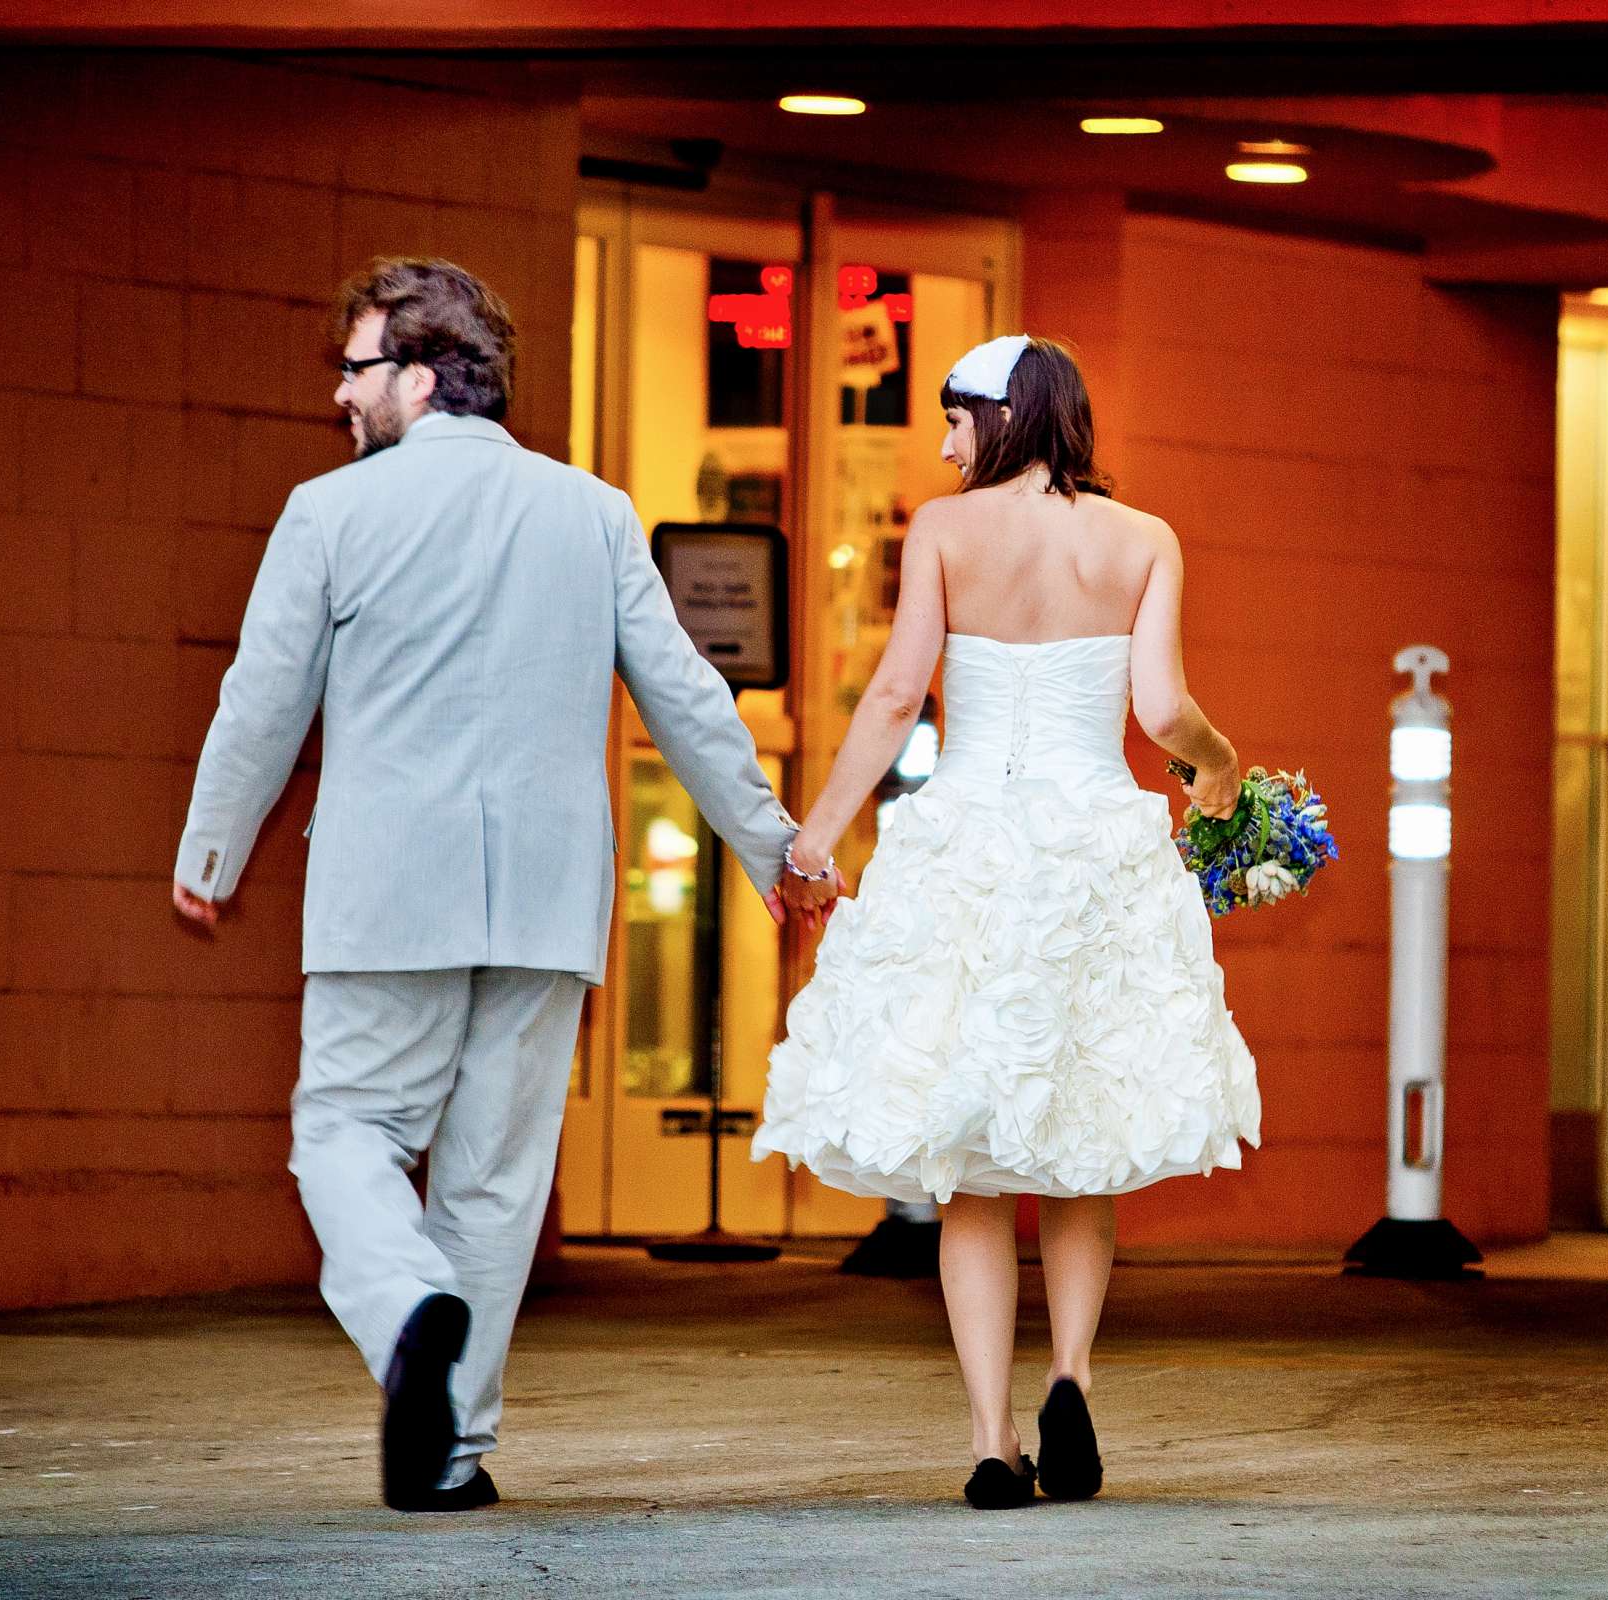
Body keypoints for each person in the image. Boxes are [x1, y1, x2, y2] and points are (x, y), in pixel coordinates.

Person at [173, 257, 808, 1513]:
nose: (339, 400)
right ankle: (449, 1456)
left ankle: (411, 1314)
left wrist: (210, 855)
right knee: (496, 1177)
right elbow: (686, 693)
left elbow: (262, 703)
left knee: (344, 1130)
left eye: (354, 371)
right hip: (543, 900)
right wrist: (769, 844)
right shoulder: (593, 511)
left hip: (383, 894)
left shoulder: (329, 514)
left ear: (417, 373)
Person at [753, 334, 1261, 1510]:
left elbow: (894, 694)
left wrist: (818, 836)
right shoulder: (1142, 541)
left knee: (969, 1166)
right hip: (1095, 847)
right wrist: (1222, 768)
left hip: (969, 844)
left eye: (953, 417)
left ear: (1011, 413)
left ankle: (991, 1441)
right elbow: (1159, 708)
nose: (941, 444)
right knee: (1081, 1143)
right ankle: (1071, 1377)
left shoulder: (946, 530)